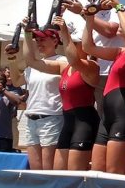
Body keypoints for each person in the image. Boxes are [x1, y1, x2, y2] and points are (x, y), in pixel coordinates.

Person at [23, 19, 100, 171]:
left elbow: (75, 60)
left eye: (76, 43)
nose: (71, 46)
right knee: (55, 172)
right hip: (68, 121)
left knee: (73, 172)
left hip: (84, 120)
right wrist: (26, 33)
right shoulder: (63, 67)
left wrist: (64, 33)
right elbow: (30, 61)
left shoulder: (91, 66)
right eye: (72, 43)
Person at [82, 0, 125, 174]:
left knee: (114, 171)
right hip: (107, 116)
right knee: (98, 170)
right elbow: (88, 47)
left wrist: (119, 7)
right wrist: (89, 19)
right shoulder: (120, 52)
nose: (120, 28)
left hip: (121, 115)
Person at [16, 24, 64, 170]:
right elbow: (17, 81)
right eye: (37, 40)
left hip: (51, 117)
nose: (39, 43)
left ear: (55, 40)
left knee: (48, 169)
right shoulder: (32, 66)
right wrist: (12, 58)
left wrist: (27, 34)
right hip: (31, 118)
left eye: (43, 39)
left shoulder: (62, 61)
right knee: (35, 169)